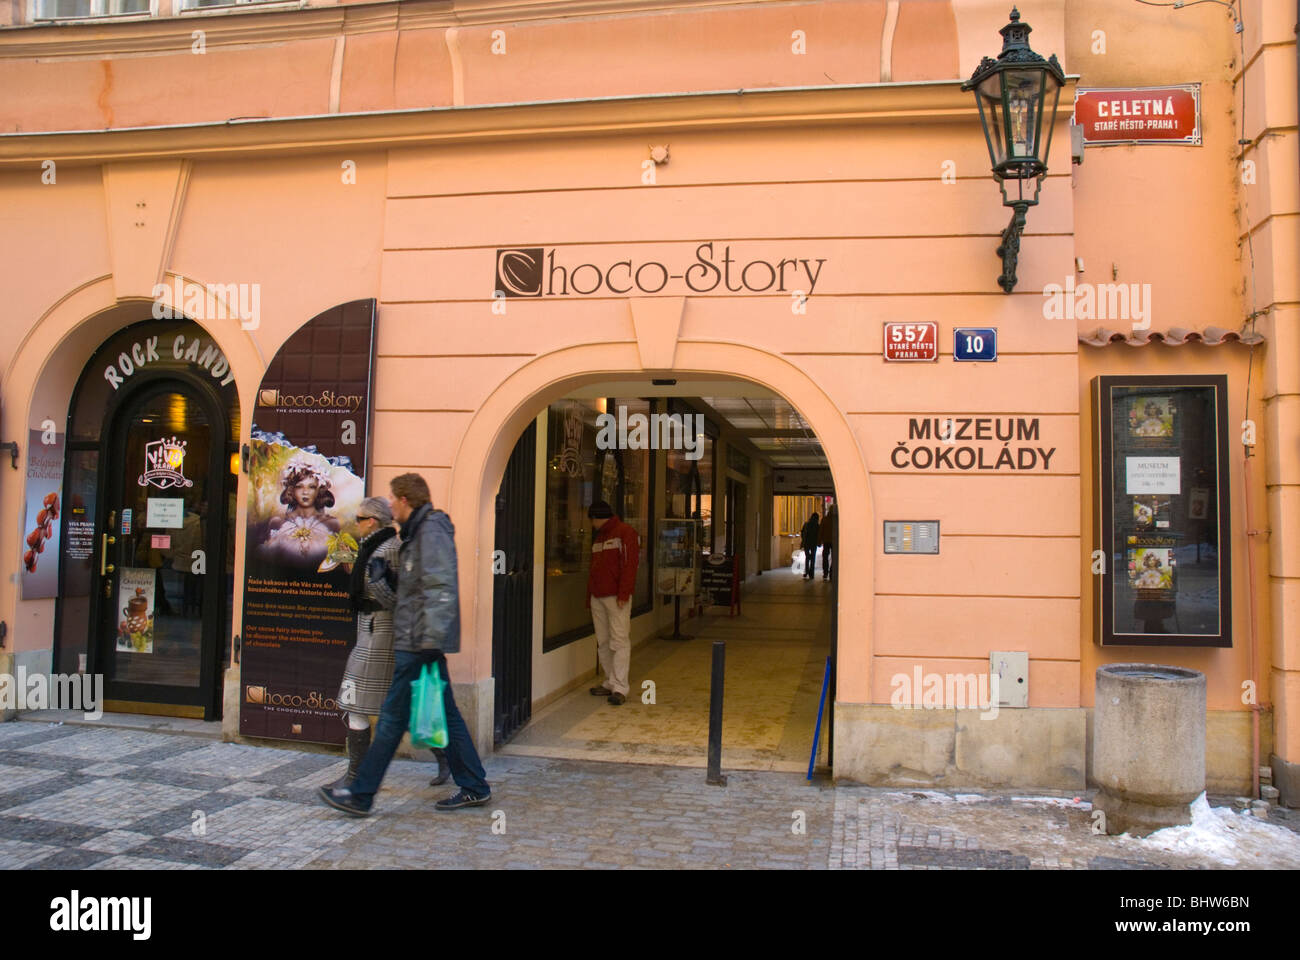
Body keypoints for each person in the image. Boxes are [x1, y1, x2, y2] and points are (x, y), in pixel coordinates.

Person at [319, 473, 489, 816]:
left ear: (405, 500)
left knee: (393, 718)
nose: (390, 504)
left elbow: (441, 587)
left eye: (393, 499)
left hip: (419, 642)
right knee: (447, 716)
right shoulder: (417, 534)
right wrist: (392, 582)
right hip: (419, 640)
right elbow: (417, 589)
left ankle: (361, 794)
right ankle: (475, 785)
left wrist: (428, 641)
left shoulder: (431, 531)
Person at [326, 497, 449, 789]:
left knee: (368, 705)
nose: (355, 524)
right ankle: (444, 756)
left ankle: (357, 776)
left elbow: (401, 597)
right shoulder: (371, 547)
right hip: (370, 631)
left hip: (383, 634)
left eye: (359, 519)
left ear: (372, 521)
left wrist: (378, 586)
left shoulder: (391, 549)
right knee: (382, 705)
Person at [585, 500, 640, 706]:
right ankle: (610, 681)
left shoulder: (625, 533)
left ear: (597, 518)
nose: (591, 524)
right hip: (598, 596)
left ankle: (620, 687)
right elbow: (594, 570)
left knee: (619, 640)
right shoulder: (599, 537)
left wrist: (623, 594)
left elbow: (630, 565)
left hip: (616, 597)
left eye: (592, 519)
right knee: (604, 641)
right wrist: (589, 597)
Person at [259, 459, 340, 570]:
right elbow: (267, 563)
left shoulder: (331, 524)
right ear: (291, 490)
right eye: (299, 486)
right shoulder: (278, 522)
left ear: (319, 490)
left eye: (311, 487)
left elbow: (336, 563)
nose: (305, 492)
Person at [799, 511, 820, 580]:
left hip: (807, 543)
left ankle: (807, 571)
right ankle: (812, 573)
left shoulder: (806, 524)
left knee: (807, 557)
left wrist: (803, 540)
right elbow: (818, 535)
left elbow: (802, 532)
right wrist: (819, 542)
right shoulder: (817, 526)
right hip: (813, 543)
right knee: (813, 558)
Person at [819, 503, 836, 582]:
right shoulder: (836, 520)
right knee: (834, 557)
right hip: (834, 541)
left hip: (826, 541)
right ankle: (832, 572)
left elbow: (821, 531)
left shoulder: (824, 519)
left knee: (825, 557)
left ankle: (825, 572)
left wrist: (820, 540)